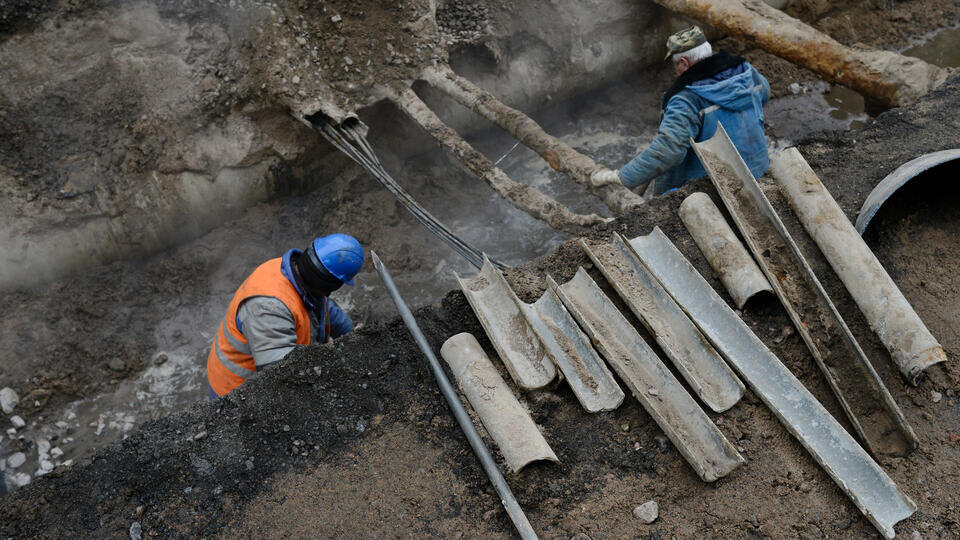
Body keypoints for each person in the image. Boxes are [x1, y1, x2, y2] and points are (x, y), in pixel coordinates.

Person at [590, 26, 771, 195]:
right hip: (757, 170)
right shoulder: (747, 74)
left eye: (675, 64)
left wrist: (621, 177)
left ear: (683, 63)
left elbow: (668, 152)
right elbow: (765, 93)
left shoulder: (686, 100)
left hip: (713, 190)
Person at [206, 234, 364, 398]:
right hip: (235, 395)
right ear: (331, 283)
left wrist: (353, 336)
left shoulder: (301, 275)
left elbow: (323, 306)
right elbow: (281, 374)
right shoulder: (268, 308)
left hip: (268, 372)